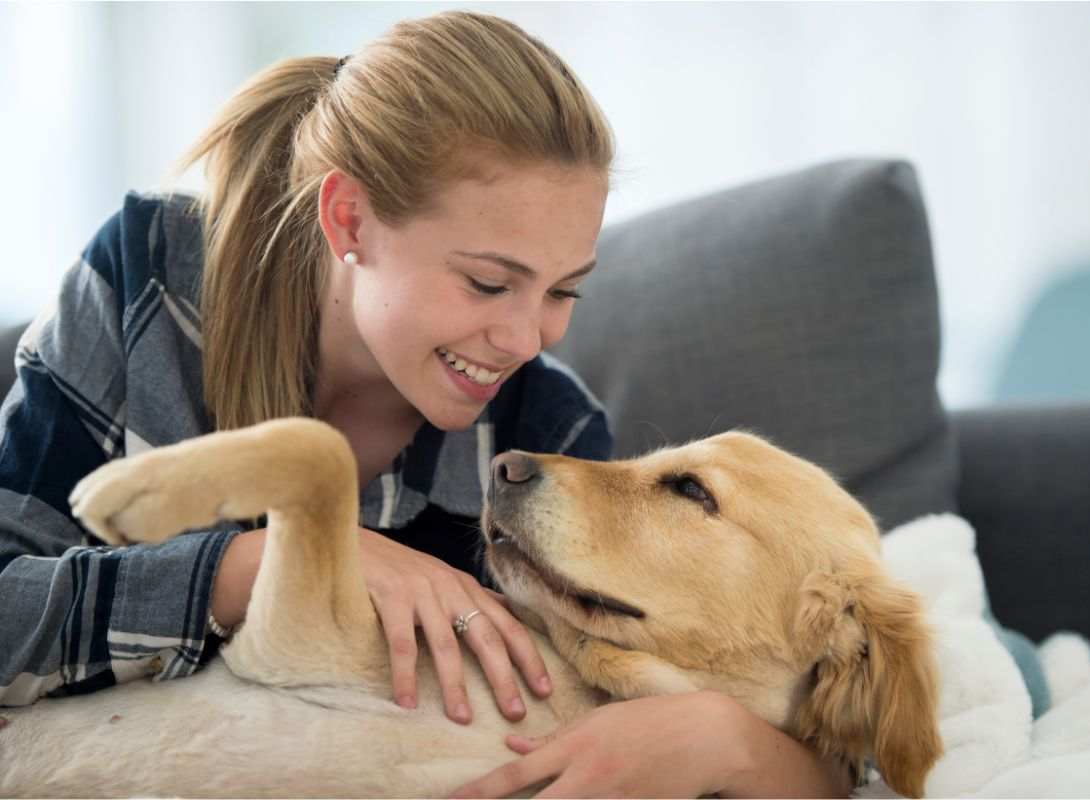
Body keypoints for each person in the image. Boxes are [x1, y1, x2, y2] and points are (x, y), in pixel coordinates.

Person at [0, 11, 849, 797]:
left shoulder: (545, 437)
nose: (527, 339)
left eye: (564, 292)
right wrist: (266, 562)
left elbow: (763, 712)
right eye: (488, 281)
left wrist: (728, 740)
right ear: (351, 221)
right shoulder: (146, 288)